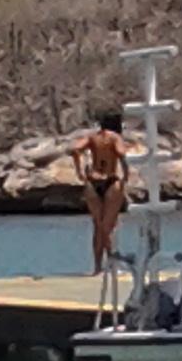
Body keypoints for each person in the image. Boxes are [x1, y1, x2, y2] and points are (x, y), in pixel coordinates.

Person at [75, 112, 131, 273]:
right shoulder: (115, 137)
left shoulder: (92, 137)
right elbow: (121, 154)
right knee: (108, 226)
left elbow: (74, 149)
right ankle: (113, 262)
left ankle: (98, 267)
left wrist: (80, 170)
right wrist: (126, 174)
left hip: (92, 181)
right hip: (110, 180)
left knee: (98, 226)